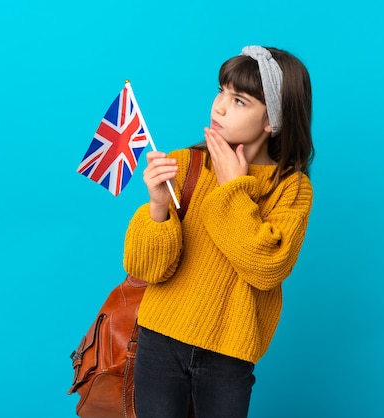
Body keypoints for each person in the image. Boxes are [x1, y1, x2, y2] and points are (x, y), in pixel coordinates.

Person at [123, 45, 315, 418]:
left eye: (240, 100)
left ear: (271, 121)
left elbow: (267, 269)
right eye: (221, 91)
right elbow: (146, 269)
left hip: (229, 354)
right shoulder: (183, 165)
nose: (220, 107)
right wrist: (158, 207)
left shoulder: (291, 189)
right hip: (160, 340)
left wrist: (232, 189)